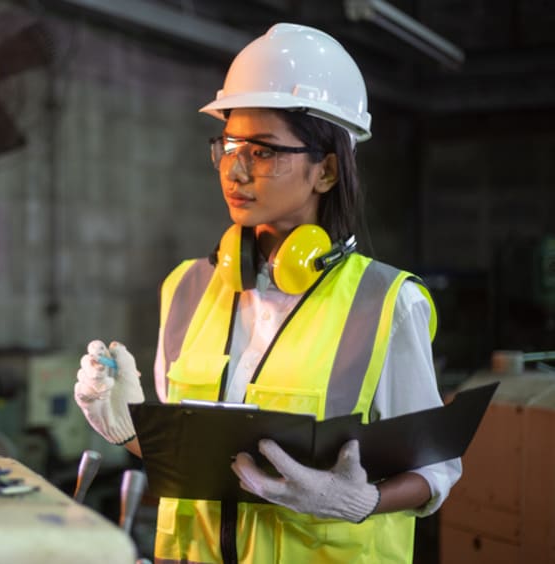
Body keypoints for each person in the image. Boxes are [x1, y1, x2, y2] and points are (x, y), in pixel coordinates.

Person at [74, 22, 461, 563]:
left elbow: (435, 470)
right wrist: (124, 426)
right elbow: (192, 460)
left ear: (326, 170)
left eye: (262, 152)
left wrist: (361, 500)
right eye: (229, 146)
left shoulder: (386, 303)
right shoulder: (187, 289)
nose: (235, 169)